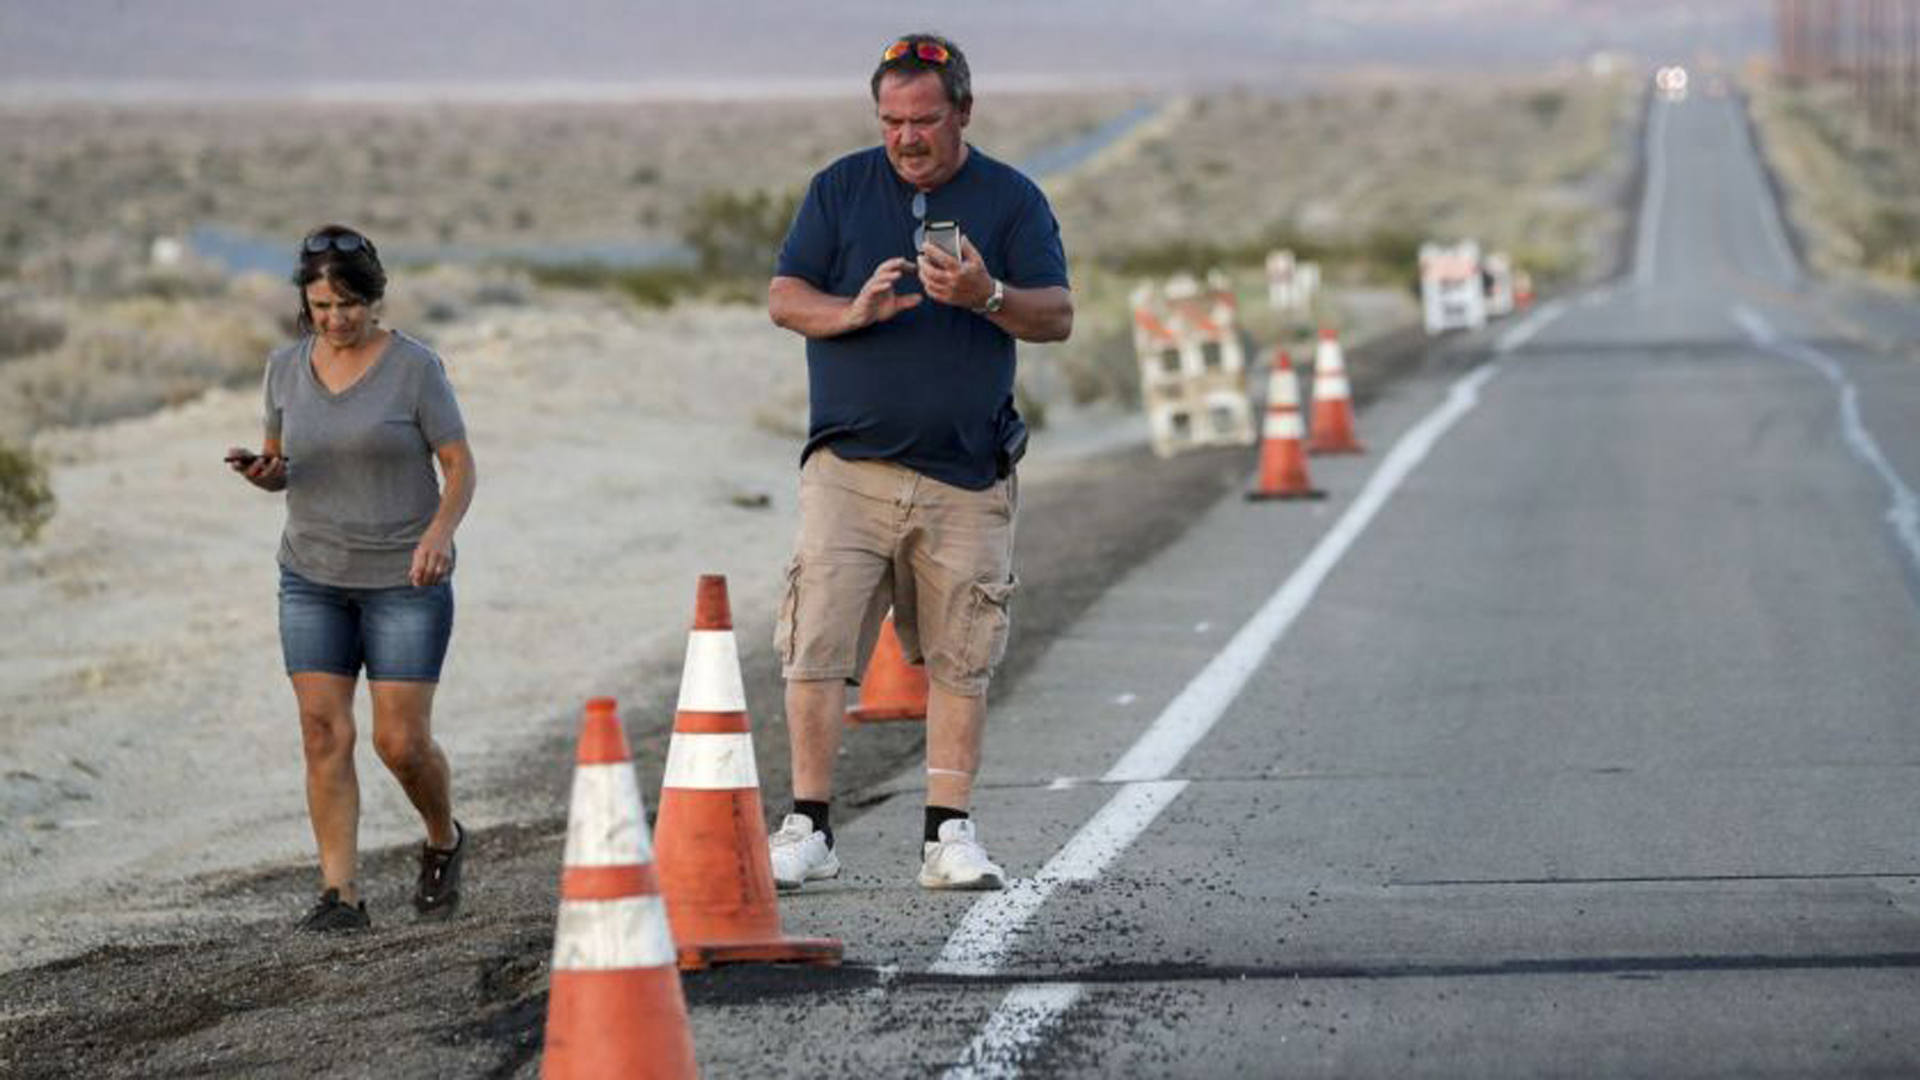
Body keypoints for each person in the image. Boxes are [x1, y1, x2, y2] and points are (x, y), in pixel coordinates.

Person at [766, 33, 1073, 891]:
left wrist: (989, 296)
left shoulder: (1012, 200)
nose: (907, 137)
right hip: (847, 471)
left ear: (963, 114)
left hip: (967, 475)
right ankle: (809, 828)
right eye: (892, 120)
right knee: (815, 647)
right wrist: (849, 312)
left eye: (924, 120)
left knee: (961, 658)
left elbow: (1057, 316)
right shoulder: (838, 188)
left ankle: (950, 834)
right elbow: (785, 296)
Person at [229, 224, 477, 932]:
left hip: (406, 578)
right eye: (320, 306)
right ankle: (341, 894)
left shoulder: (415, 368)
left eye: (346, 304)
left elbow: (459, 466)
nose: (334, 319)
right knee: (321, 731)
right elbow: (283, 466)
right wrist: (263, 473)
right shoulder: (282, 368)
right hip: (311, 576)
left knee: (399, 743)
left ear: (372, 298)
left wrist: (439, 535)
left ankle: (442, 838)